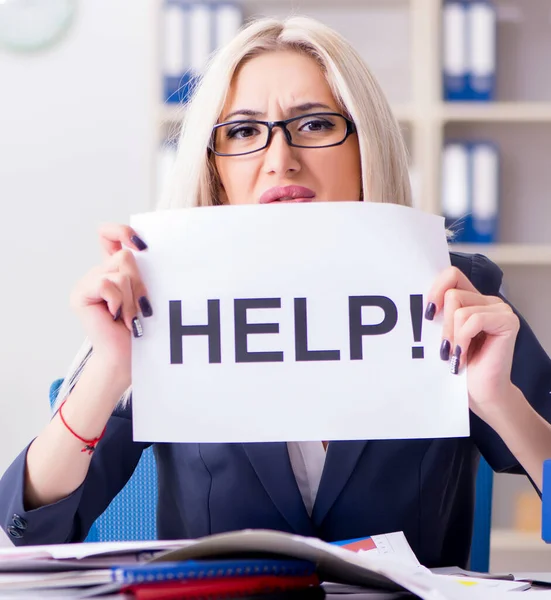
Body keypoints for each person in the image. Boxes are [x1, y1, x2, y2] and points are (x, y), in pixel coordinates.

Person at [1, 16, 551, 569]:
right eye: (242, 131)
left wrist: (500, 401)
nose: (279, 158)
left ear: (367, 144)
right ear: (214, 170)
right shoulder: (163, 299)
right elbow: (31, 527)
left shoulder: (458, 290)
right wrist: (111, 371)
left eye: (313, 124)